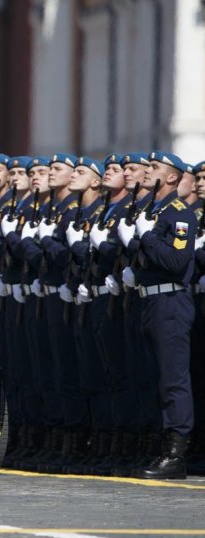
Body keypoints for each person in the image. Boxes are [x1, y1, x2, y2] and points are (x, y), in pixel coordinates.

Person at [118, 151, 197, 479]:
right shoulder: (152, 212)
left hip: (170, 303)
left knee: (173, 380)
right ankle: (156, 446)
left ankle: (175, 454)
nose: (147, 171)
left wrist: (146, 236)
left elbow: (177, 262)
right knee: (151, 378)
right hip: (148, 301)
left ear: (172, 177)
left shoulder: (179, 214)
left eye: (154, 167)